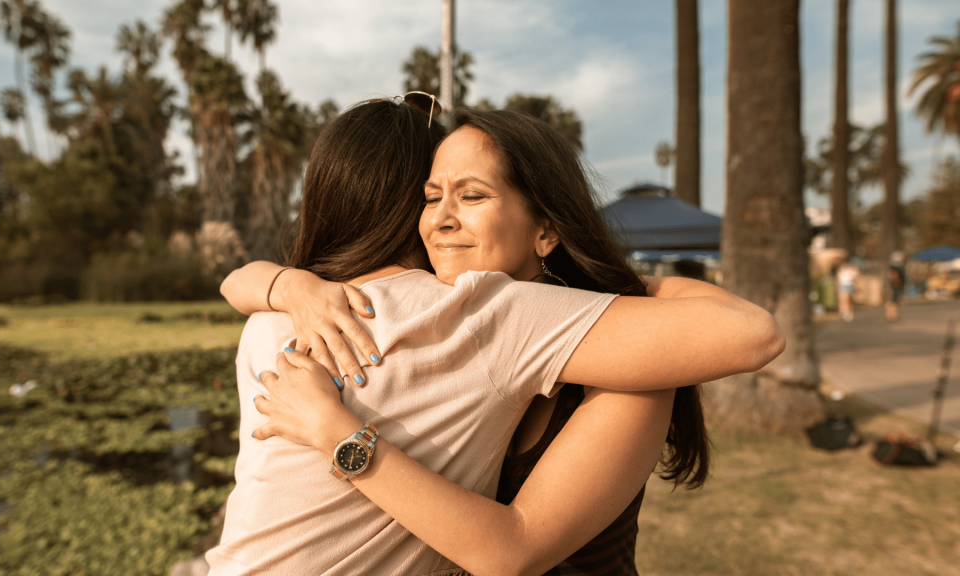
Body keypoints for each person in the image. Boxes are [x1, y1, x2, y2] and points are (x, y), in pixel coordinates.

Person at [209, 102, 784, 576]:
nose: (440, 220)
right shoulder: (458, 329)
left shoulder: (607, 367)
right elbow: (237, 283)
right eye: (431, 198)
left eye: (473, 196)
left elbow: (753, 334)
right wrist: (291, 285)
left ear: (546, 229)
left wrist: (338, 435)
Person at [886, 251, 906, 323]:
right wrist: (897, 283)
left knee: (895, 301)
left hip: (897, 285)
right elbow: (893, 276)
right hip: (896, 285)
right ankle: (892, 315)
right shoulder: (895, 268)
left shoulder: (899, 267)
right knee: (893, 301)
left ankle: (893, 315)